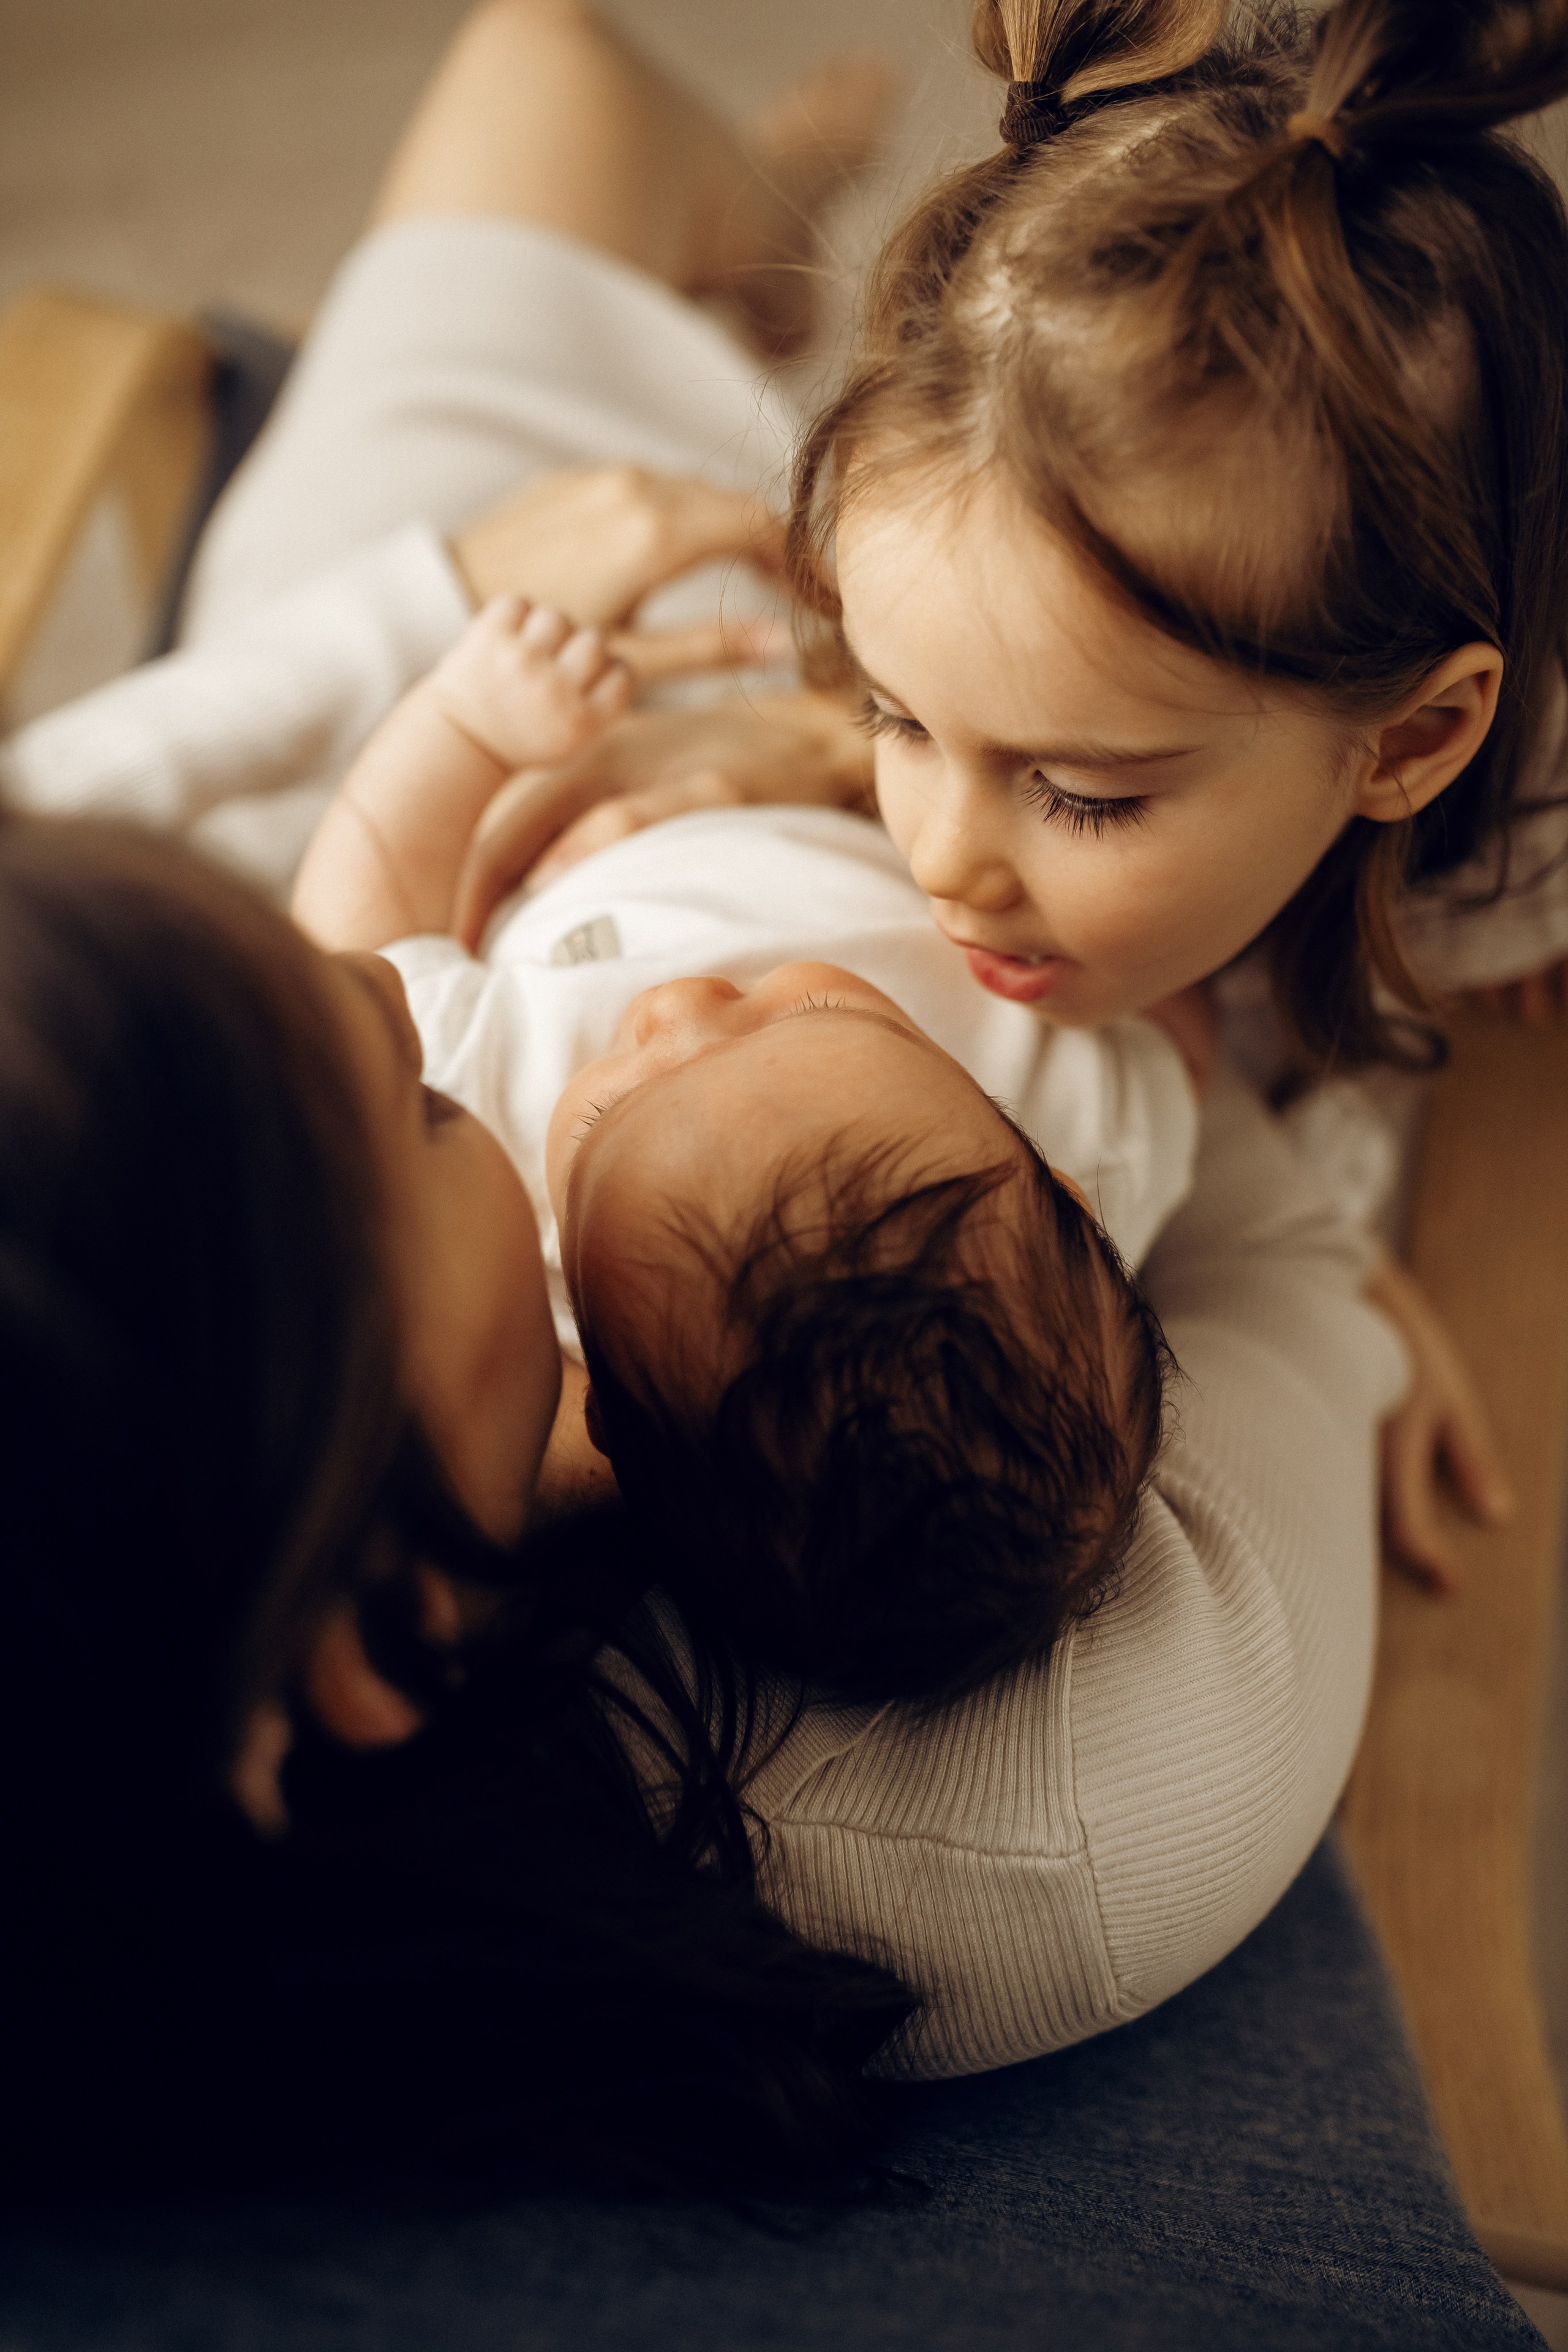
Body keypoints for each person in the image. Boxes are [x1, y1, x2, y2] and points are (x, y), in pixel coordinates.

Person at [0, 0, 1403, 2188]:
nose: (380, 1006)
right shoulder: (978, 1746)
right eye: (419, 1124)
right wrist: (1317, 1256)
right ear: (372, 1631)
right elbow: (1172, 1193)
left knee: (543, 52)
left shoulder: (346, 1405)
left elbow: (75, 815)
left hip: (466, 645)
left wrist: (439, 601)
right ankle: (734, 303)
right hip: (735, 687)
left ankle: (741, 279)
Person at [292, 586, 1194, 1700]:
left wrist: (467, 729)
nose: (683, 1007)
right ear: (1066, 1190)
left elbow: (355, 935)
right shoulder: (1093, 1114)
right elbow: (1178, 1047)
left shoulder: (489, 1166)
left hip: (597, 804)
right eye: (819, 1017)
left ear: (604, 1401)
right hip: (808, 757)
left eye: (612, 1114)